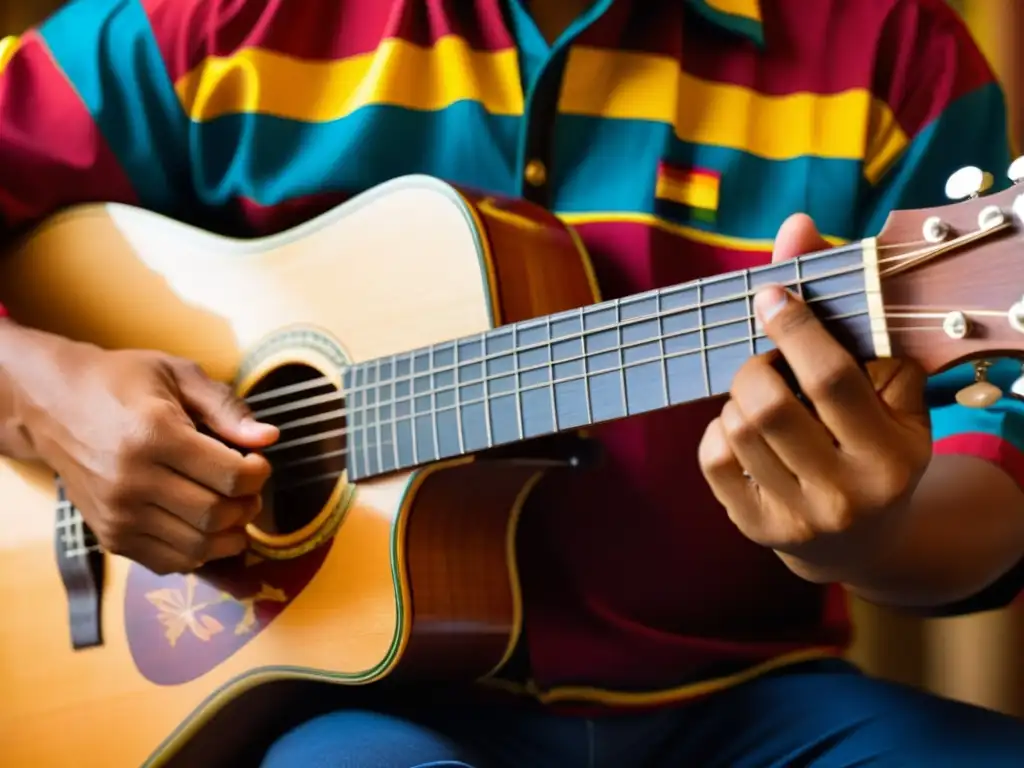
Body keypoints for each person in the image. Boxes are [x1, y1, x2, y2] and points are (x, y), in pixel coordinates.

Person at [2, 0, 1024, 764]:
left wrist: (862, 533)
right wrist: (51, 397)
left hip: (741, 700)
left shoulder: (894, 50)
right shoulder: (216, 23)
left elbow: (997, 477)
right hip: (336, 712)